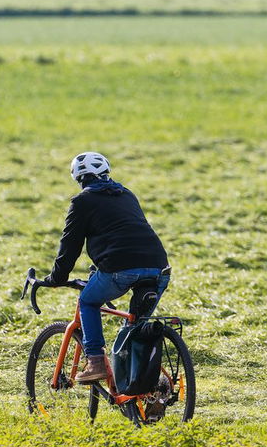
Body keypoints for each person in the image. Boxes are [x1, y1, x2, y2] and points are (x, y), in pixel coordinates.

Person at [37, 152, 170, 384]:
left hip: (120, 269)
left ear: (79, 178)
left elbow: (70, 245)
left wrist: (56, 278)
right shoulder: (127, 194)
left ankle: (96, 361)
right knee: (134, 328)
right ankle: (148, 391)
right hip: (159, 268)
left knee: (88, 301)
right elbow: (125, 233)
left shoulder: (82, 201)